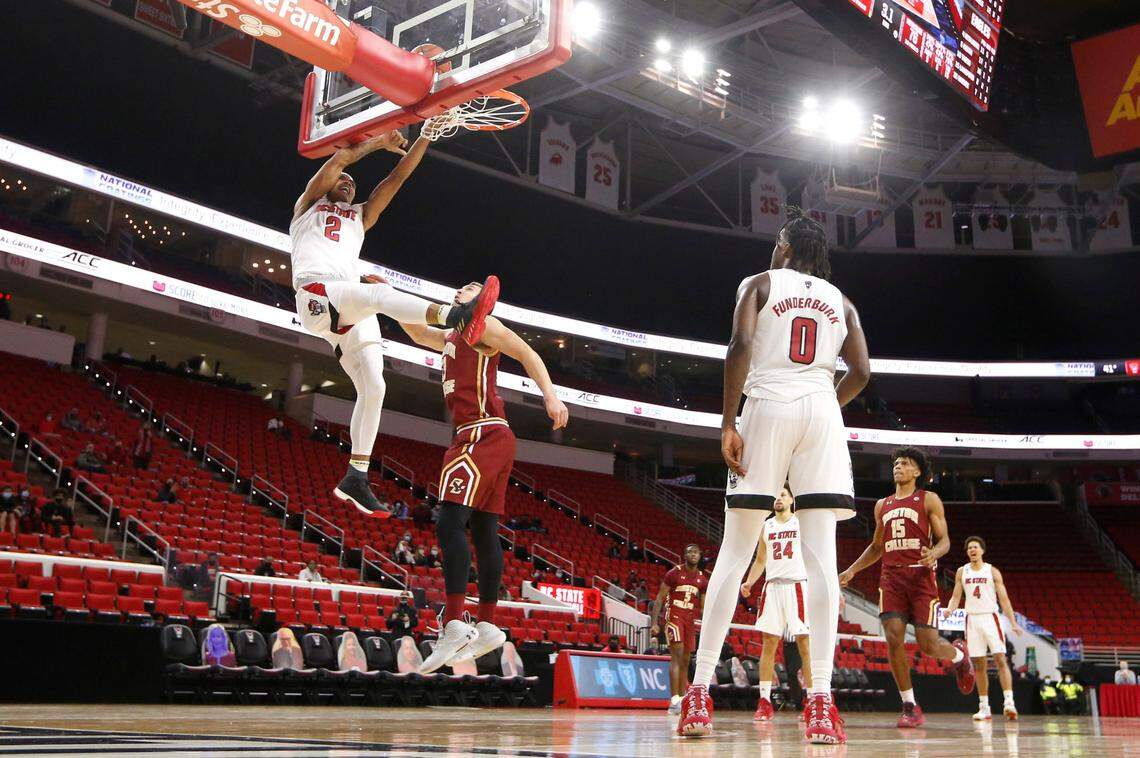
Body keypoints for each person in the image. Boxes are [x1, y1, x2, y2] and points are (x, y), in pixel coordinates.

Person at [679, 207, 870, 744]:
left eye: (775, 242)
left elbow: (740, 346)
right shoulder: (843, 301)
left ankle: (698, 694)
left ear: (785, 246)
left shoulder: (760, 283)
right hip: (821, 414)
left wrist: (726, 420)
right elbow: (862, 372)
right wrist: (826, 402)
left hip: (767, 403)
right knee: (822, 561)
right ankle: (822, 701)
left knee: (736, 551)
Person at [290, 129, 500, 517]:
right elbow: (340, 161)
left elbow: (397, 178)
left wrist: (424, 137)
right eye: (344, 181)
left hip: (347, 303)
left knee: (375, 385)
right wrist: (376, 145)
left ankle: (356, 475)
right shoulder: (307, 207)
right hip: (317, 294)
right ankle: (453, 315)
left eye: (354, 185)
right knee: (378, 294)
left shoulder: (361, 217)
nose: (349, 184)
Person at [399, 283, 568, 673]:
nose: (460, 289)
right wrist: (382, 299)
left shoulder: (484, 326)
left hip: (481, 431)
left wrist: (551, 396)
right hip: (488, 435)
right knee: (484, 530)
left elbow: (526, 352)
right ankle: (489, 624)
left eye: (468, 288)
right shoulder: (452, 333)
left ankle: (456, 622)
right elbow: (416, 330)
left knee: (448, 521)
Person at [840, 448, 975, 729]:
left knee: (928, 645)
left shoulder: (929, 500)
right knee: (893, 637)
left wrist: (934, 554)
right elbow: (877, 547)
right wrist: (852, 569)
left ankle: (960, 656)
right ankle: (909, 705)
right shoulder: (882, 505)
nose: (898, 467)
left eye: (905, 464)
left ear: (917, 472)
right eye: (896, 463)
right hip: (891, 579)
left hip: (922, 578)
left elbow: (945, 541)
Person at [739, 485, 812, 722]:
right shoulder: (766, 526)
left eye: (782, 494)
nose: (778, 498)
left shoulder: (801, 522)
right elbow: (761, 560)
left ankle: (812, 700)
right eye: (775, 495)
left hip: (796, 585)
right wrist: (749, 581)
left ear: (792, 499)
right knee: (768, 645)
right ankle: (764, 701)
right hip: (772, 586)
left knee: (804, 644)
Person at [942, 535, 1024, 721]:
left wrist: (1013, 623)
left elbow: (1004, 600)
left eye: (975, 547)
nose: (972, 550)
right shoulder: (962, 572)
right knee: (978, 664)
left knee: (1000, 659)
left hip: (990, 617)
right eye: (969, 547)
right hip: (972, 620)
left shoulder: (992, 571)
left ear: (982, 550)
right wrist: (949, 609)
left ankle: (1009, 703)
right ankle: (984, 707)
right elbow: (956, 597)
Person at [650, 544, 708, 715]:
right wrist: (655, 622)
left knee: (686, 659)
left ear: (700, 555)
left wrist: (707, 624)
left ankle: (683, 698)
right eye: (690, 552)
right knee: (677, 654)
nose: (693, 555)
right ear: (684, 555)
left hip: (690, 618)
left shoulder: (702, 579)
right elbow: (660, 598)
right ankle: (674, 698)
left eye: (696, 552)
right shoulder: (674, 573)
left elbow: (704, 607)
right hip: (674, 614)